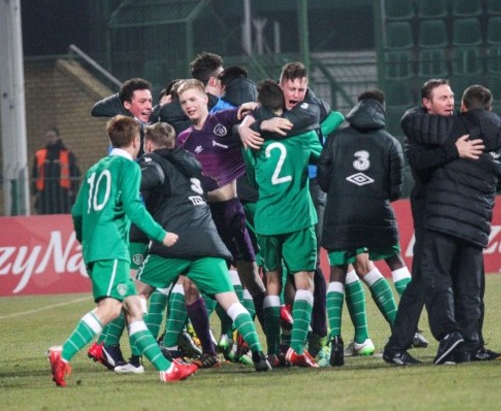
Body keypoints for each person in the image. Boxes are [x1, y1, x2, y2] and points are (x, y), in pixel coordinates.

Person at [47, 115, 196, 387]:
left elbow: (77, 211)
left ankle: (166, 368)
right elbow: (134, 207)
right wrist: (161, 234)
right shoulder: (129, 167)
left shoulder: (94, 169)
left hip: (95, 247)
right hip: (113, 247)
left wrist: (85, 238)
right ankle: (63, 353)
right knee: (111, 309)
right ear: (136, 141)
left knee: (134, 309)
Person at [134, 121, 271, 372]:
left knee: (136, 297)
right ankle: (256, 353)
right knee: (229, 301)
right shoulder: (191, 163)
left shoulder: (152, 161)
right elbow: (207, 190)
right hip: (208, 241)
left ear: (149, 144)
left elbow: (150, 177)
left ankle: (138, 358)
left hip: (173, 242)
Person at [383, 79, 494, 365]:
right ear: (426, 103)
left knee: (468, 285)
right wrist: (453, 152)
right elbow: (419, 164)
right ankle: (421, 343)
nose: (449, 101)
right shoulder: (420, 132)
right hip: (432, 218)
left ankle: (469, 344)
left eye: (452, 96)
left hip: (460, 216)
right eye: (442, 97)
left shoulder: (458, 127)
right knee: (425, 282)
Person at [318, 90, 404, 366]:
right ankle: (405, 328)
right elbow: (396, 188)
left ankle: (336, 339)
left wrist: (344, 191)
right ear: (382, 108)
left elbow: (323, 178)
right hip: (376, 212)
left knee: (338, 271)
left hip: (339, 212)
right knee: (394, 260)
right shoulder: (388, 141)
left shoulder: (336, 136)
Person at [242, 79, 323, 368]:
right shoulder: (302, 136)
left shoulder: (251, 138)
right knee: (304, 282)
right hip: (298, 216)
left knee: (272, 283)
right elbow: (323, 158)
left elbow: (251, 179)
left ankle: (274, 351)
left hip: (266, 218)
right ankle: (297, 347)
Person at [31, 127, 80, 214]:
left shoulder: (67, 154)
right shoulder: (40, 154)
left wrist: (73, 191)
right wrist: (35, 191)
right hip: (45, 193)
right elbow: (34, 174)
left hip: (63, 193)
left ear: (58, 137)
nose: (50, 139)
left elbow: (75, 173)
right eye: (48, 137)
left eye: (52, 136)